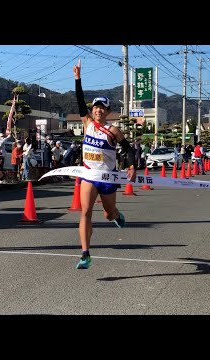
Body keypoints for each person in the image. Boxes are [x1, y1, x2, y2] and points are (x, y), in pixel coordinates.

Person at [73, 59, 136, 269]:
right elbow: (80, 101)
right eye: (96, 107)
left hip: (107, 177)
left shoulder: (114, 130)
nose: (98, 111)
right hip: (89, 174)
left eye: (102, 108)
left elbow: (127, 150)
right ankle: (85, 253)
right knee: (85, 212)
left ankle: (117, 215)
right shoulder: (87, 123)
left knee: (108, 214)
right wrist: (78, 79)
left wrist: (131, 166)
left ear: (108, 112)